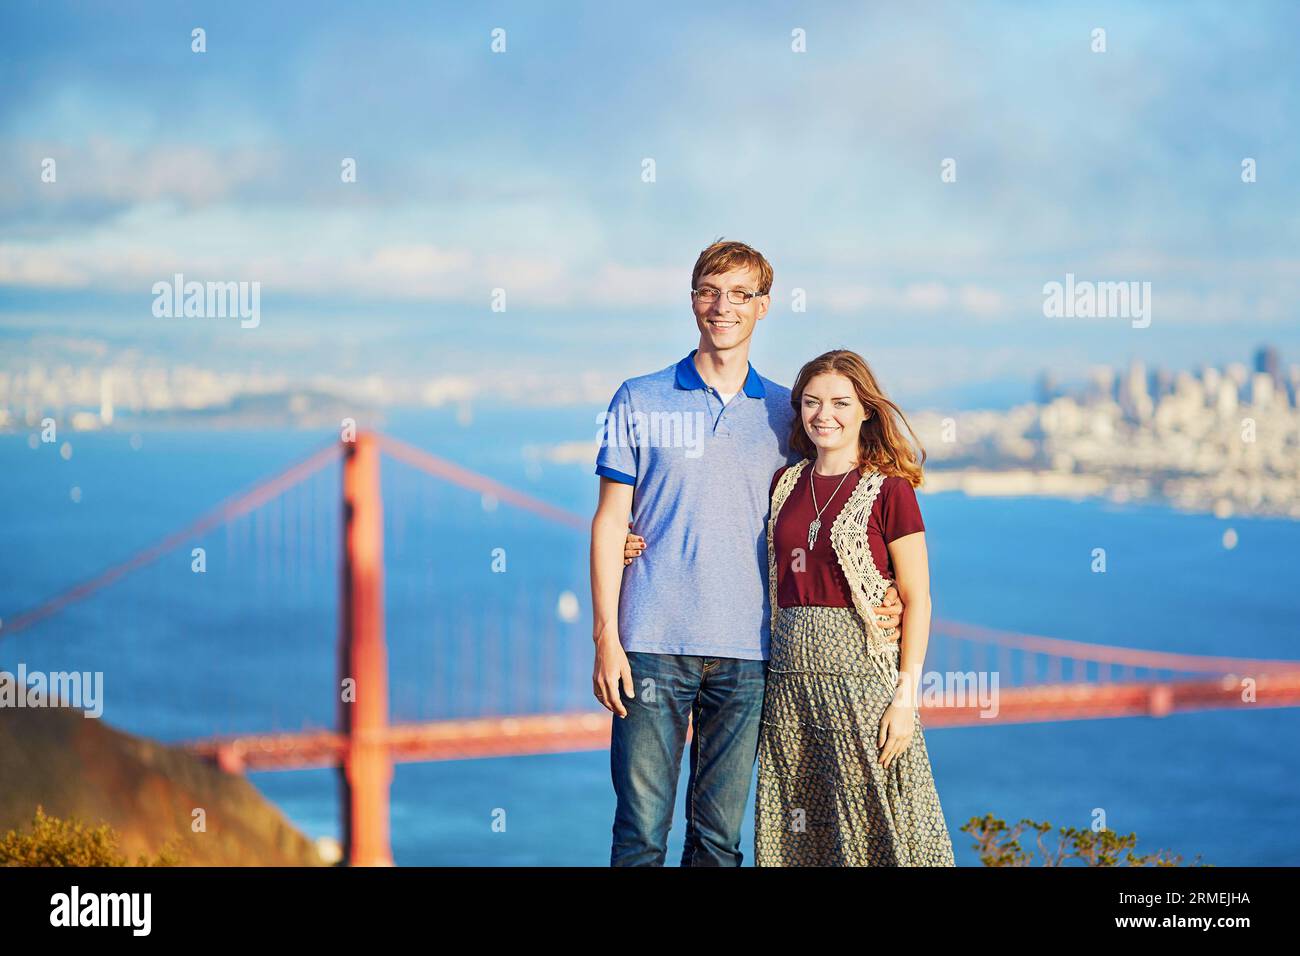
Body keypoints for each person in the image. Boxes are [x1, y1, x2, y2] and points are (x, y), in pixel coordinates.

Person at [589, 239, 904, 867]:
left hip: (753, 652)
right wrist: (606, 637)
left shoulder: (791, 410)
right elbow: (608, 520)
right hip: (650, 643)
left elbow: (844, 500)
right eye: (709, 291)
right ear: (692, 301)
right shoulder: (637, 397)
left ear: (764, 306)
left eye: (740, 294)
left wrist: (882, 587)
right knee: (640, 834)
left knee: (718, 842)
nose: (722, 306)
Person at [754, 349, 955, 866]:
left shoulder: (891, 491)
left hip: (864, 685)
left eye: (840, 402)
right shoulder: (784, 486)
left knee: (873, 832)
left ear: (866, 409)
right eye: (812, 402)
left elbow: (917, 599)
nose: (825, 415)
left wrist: (906, 699)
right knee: (798, 836)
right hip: (789, 690)